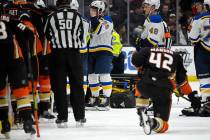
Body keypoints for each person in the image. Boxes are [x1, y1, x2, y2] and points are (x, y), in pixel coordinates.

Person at [132, 47, 201, 133]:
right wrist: (192, 96)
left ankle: (141, 110)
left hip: (145, 85)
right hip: (164, 88)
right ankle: (153, 122)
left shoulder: (147, 50)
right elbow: (182, 81)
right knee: (163, 125)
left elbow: (136, 60)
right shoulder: (177, 56)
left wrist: (139, 67)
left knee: (141, 84)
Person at [44, 0, 86, 128]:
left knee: (59, 86)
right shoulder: (78, 16)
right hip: (74, 54)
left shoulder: (51, 16)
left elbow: (46, 34)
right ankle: (80, 117)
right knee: (77, 85)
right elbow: (82, 35)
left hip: (57, 54)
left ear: (58, 3)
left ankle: (62, 118)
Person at [0, 14, 36, 137]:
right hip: (14, 57)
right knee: (21, 91)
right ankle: (27, 121)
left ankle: (4, 122)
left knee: (1, 91)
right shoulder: (10, 19)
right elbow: (29, 33)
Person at [86, 0, 114, 111]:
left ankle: (106, 99)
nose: (91, 11)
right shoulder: (91, 21)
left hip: (104, 50)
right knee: (91, 76)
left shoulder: (108, 20)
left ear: (100, 11)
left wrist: (93, 18)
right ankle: (95, 98)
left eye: (94, 9)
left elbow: (98, 31)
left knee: (104, 74)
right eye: (91, 9)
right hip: (92, 50)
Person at [187, 0, 210, 116]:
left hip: (203, 52)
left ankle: (207, 103)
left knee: (205, 78)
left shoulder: (198, 19)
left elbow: (193, 38)